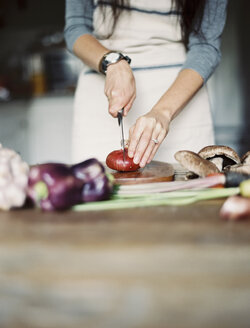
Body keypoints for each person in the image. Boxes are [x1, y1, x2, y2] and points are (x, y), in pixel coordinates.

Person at [64, 0, 228, 167]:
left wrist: (163, 112)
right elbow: (76, 28)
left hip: (180, 100)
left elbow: (206, 46)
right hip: (100, 106)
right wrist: (112, 62)